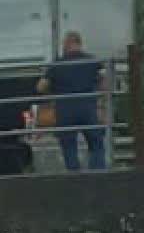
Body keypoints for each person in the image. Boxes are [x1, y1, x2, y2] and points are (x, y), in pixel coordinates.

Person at [37, 31, 107, 172]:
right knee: (96, 144)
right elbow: (105, 84)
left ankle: (75, 179)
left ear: (67, 44)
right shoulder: (92, 61)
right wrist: (101, 103)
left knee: (69, 147)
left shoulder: (57, 64)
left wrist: (53, 92)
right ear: (79, 43)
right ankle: (98, 176)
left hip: (65, 110)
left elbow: (41, 87)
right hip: (88, 109)